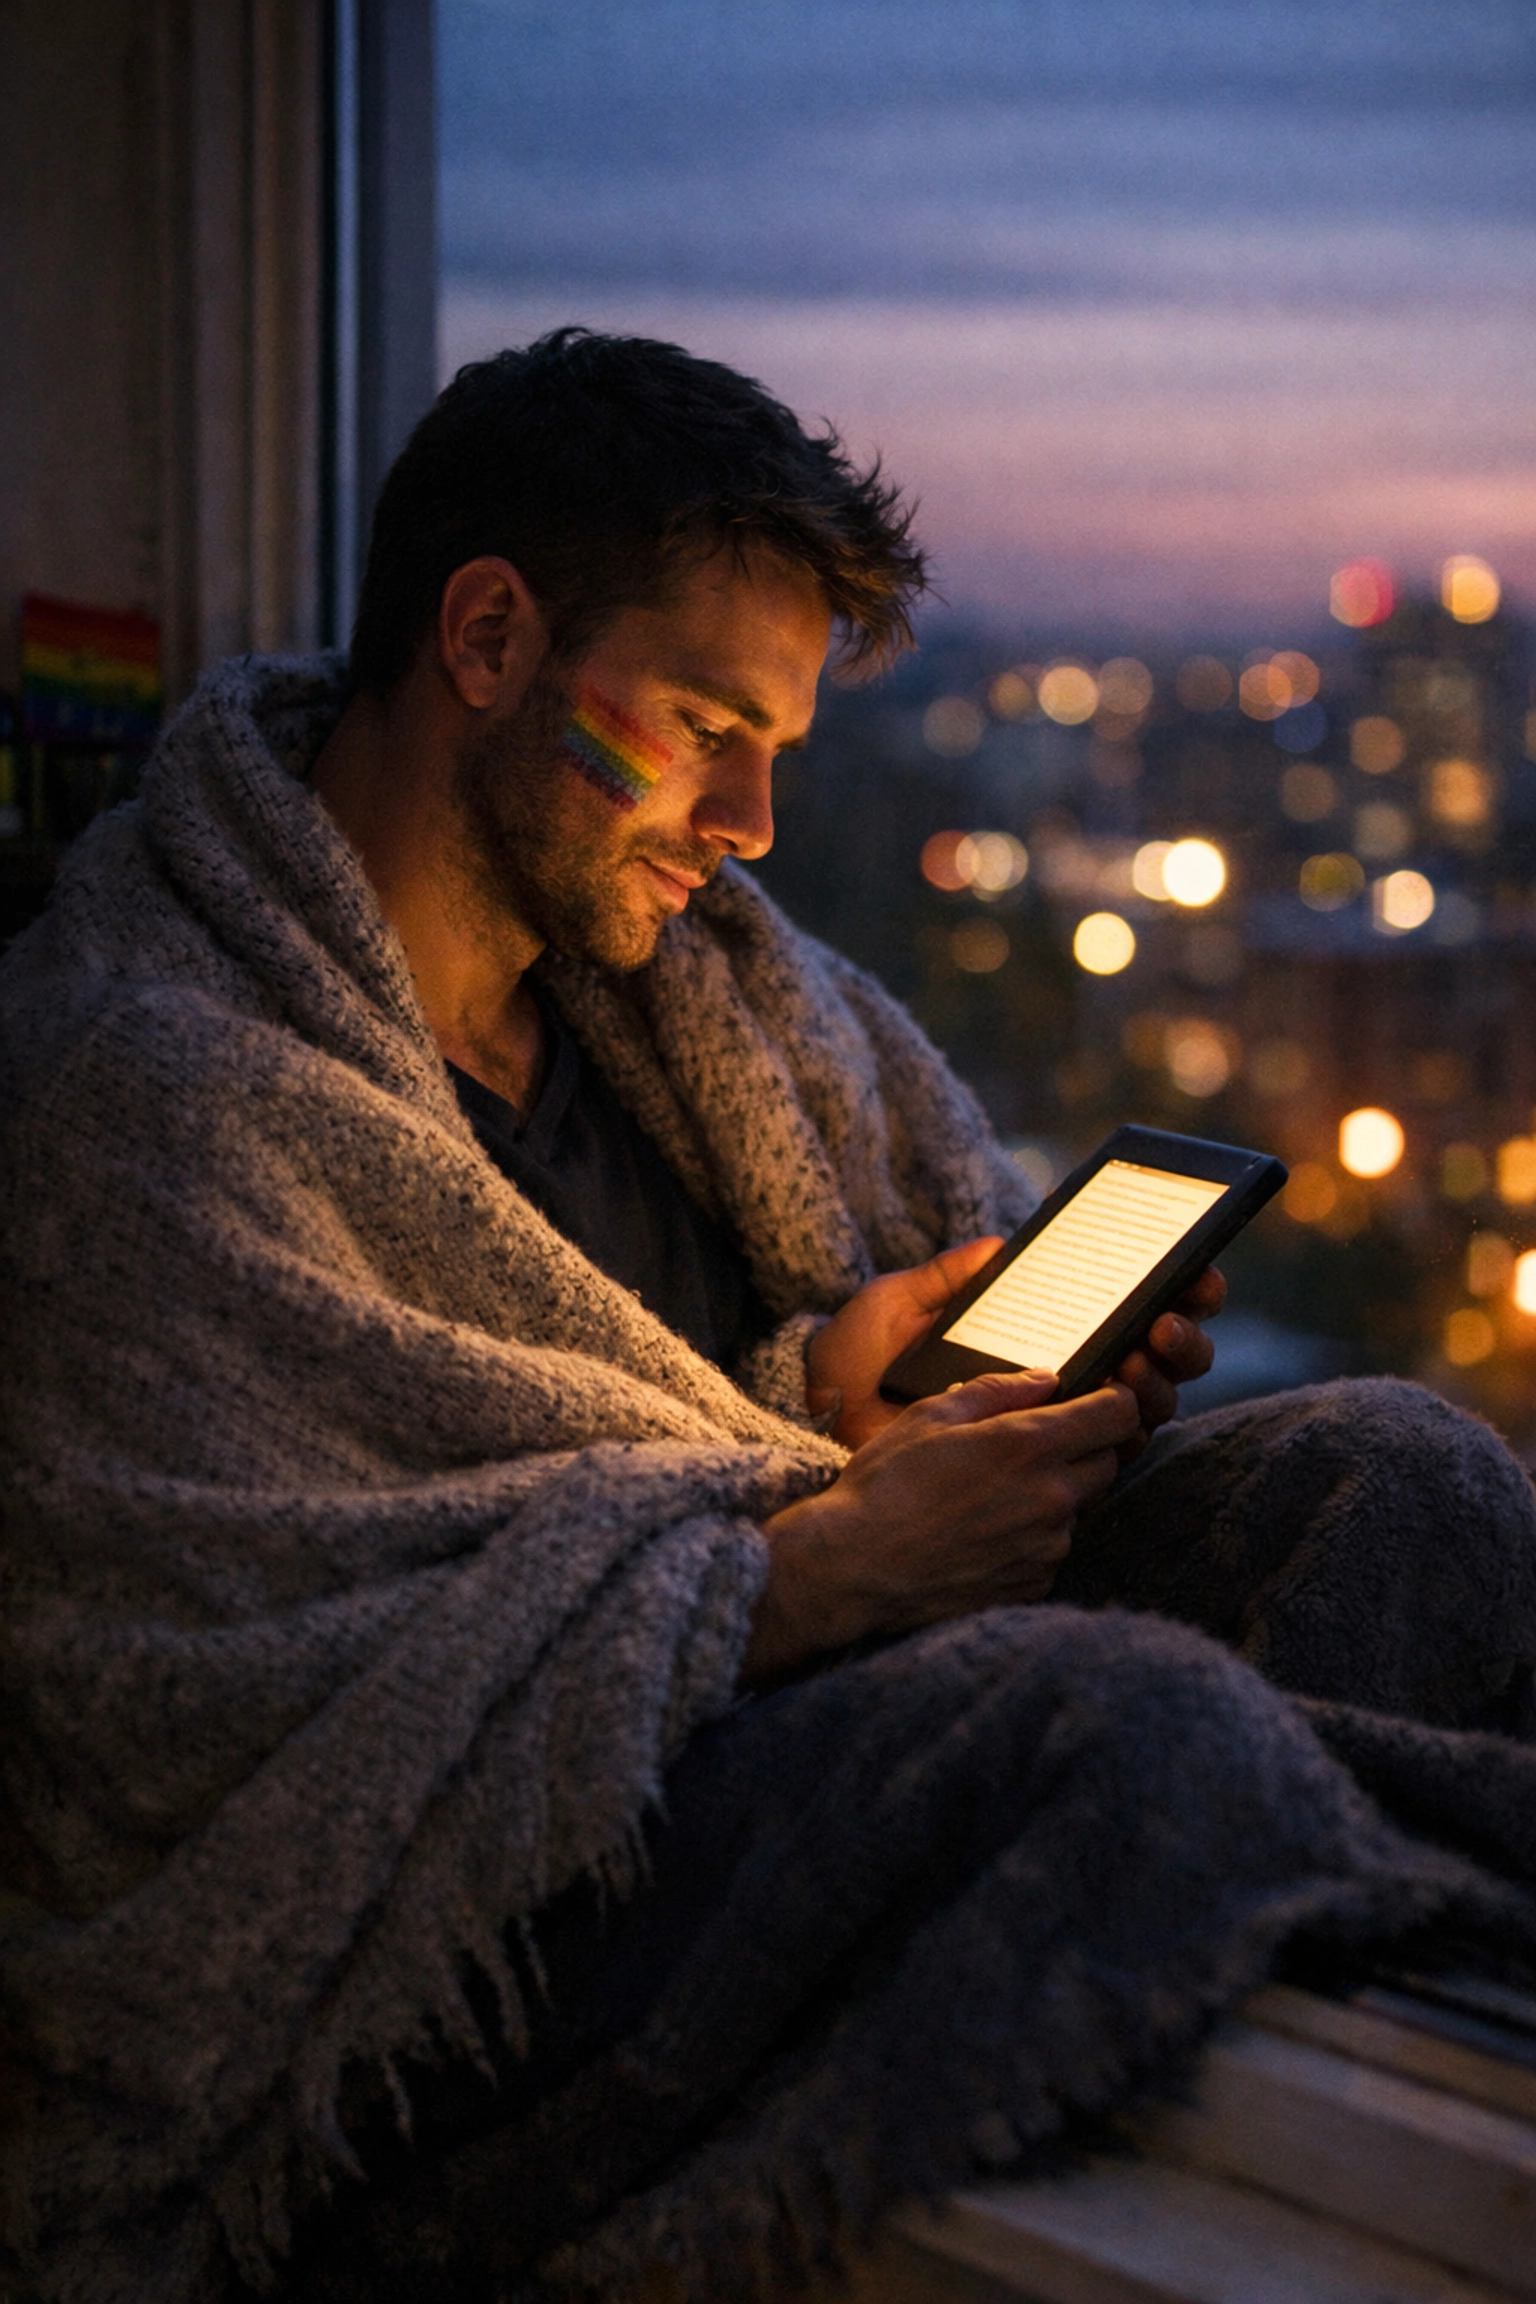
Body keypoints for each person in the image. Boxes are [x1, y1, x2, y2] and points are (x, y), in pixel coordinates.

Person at [3, 329, 1536, 2304]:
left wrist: (833, 1377)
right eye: (710, 723)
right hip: (494, 1907)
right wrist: (798, 1577)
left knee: (1397, 1476)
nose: (752, 821)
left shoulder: (695, 991)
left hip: (788, 1640)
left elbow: (622, 1422)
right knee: (1119, 1727)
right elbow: (229, 1707)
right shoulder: (143, 1097)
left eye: (784, 749)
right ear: (486, 637)